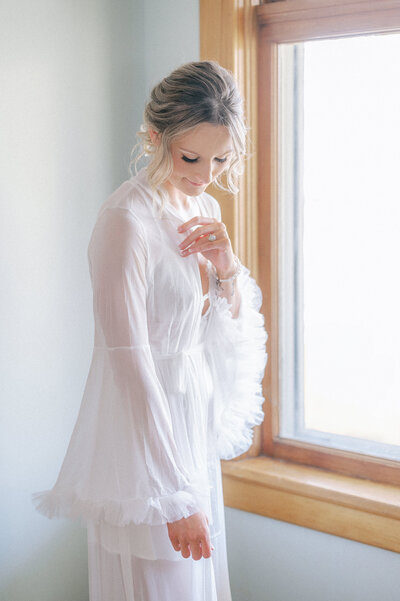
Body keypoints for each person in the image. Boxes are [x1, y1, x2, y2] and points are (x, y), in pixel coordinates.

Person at [32, 60, 268, 601]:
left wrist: (227, 265)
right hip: (146, 442)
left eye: (219, 159)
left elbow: (222, 331)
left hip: (191, 426)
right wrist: (175, 495)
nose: (206, 174)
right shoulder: (125, 221)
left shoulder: (202, 205)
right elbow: (130, 364)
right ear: (153, 136)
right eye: (191, 157)